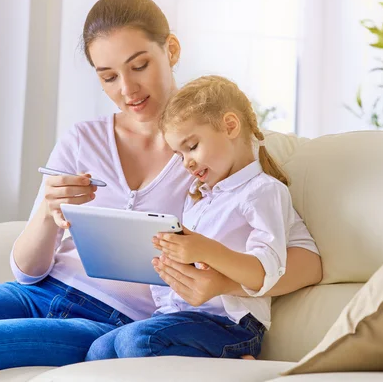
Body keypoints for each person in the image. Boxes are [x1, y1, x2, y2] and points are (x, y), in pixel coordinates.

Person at [0, 0, 322, 382]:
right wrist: (48, 209)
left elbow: (307, 261)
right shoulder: (82, 140)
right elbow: (27, 271)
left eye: (140, 66)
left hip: (118, 322)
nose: (127, 89)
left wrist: (223, 283)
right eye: (108, 76)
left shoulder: (213, 150)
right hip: (38, 295)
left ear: (170, 50)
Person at [85, 75, 319, 360]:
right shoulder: (199, 197)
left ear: (230, 126)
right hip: (182, 317)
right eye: (179, 154)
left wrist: (206, 249)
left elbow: (266, 271)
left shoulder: (264, 191)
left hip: (232, 326)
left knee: (138, 340)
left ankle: (234, 362)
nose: (187, 162)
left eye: (192, 146)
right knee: (100, 348)